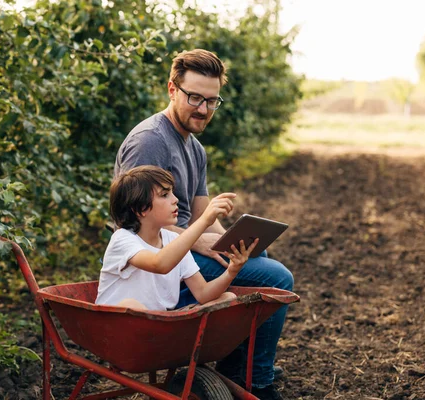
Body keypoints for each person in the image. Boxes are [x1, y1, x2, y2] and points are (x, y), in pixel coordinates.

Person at [114, 49, 294, 400]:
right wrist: (200, 242)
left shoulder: (195, 149)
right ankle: (254, 378)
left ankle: (239, 362)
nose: (203, 109)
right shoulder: (150, 142)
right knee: (277, 278)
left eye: (212, 101)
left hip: (181, 254)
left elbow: (199, 220)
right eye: (194, 97)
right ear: (172, 89)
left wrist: (231, 239)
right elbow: (135, 227)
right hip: (157, 270)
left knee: (259, 251)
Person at [95, 165, 258, 311]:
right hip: (114, 325)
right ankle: (172, 338)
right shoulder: (123, 239)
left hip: (158, 323)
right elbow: (159, 264)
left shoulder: (173, 239)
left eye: (172, 192)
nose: (175, 200)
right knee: (131, 306)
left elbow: (203, 293)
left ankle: (176, 339)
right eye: (165, 195)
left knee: (228, 298)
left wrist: (232, 271)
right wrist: (204, 220)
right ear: (141, 209)